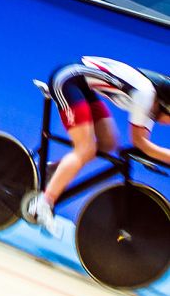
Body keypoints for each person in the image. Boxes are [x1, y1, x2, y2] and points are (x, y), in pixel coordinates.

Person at [26, 56, 170, 235]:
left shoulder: (153, 103)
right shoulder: (146, 95)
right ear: (166, 106)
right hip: (68, 79)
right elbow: (140, 143)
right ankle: (43, 204)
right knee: (85, 148)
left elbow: (144, 144)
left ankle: (52, 171)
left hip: (82, 86)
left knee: (108, 143)